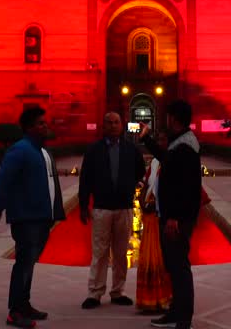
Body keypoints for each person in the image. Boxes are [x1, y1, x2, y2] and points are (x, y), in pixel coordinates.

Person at [0, 107, 66, 329]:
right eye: (41, 123)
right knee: (23, 263)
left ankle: (24, 304)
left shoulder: (42, 151)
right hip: (27, 218)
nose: (45, 126)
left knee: (29, 263)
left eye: (45, 122)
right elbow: (3, 180)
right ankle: (15, 311)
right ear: (29, 127)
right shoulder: (20, 150)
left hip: (42, 216)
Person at [140, 100, 202, 329]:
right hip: (173, 216)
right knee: (174, 266)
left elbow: (185, 186)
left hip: (178, 218)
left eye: (168, 116)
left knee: (179, 267)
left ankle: (184, 319)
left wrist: (174, 217)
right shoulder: (181, 143)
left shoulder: (185, 147)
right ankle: (176, 313)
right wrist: (146, 138)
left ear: (174, 118)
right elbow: (167, 160)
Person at [79, 112, 146, 310]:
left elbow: (141, 172)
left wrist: (131, 187)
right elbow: (85, 180)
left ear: (121, 125)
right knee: (99, 252)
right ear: (103, 126)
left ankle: (118, 291)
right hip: (101, 208)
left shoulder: (131, 150)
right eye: (109, 122)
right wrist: (83, 206)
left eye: (116, 122)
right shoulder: (93, 150)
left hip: (124, 207)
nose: (113, 125)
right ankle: (95, 292)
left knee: (120, 252)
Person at [137, 131, 173, 314]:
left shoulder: (173, 160)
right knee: (150, 257)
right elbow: (146, 184)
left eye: (163, 140)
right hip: (151, 216)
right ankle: (149, 299)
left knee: (164, 260)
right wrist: (143, 202)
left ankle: (165, 299)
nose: (160, 143)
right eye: (158, 140)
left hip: (165, 217)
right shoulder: (155, 162)